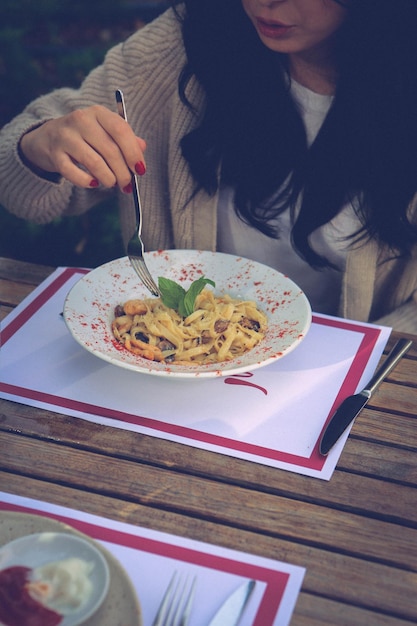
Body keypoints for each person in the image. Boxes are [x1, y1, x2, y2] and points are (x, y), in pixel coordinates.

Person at [1, 0, 417, 332]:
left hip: (353, 388)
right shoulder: (188, 39)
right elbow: (20, 186)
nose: (264, 2)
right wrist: (42, 146)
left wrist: (357, 359)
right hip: (172, 369)